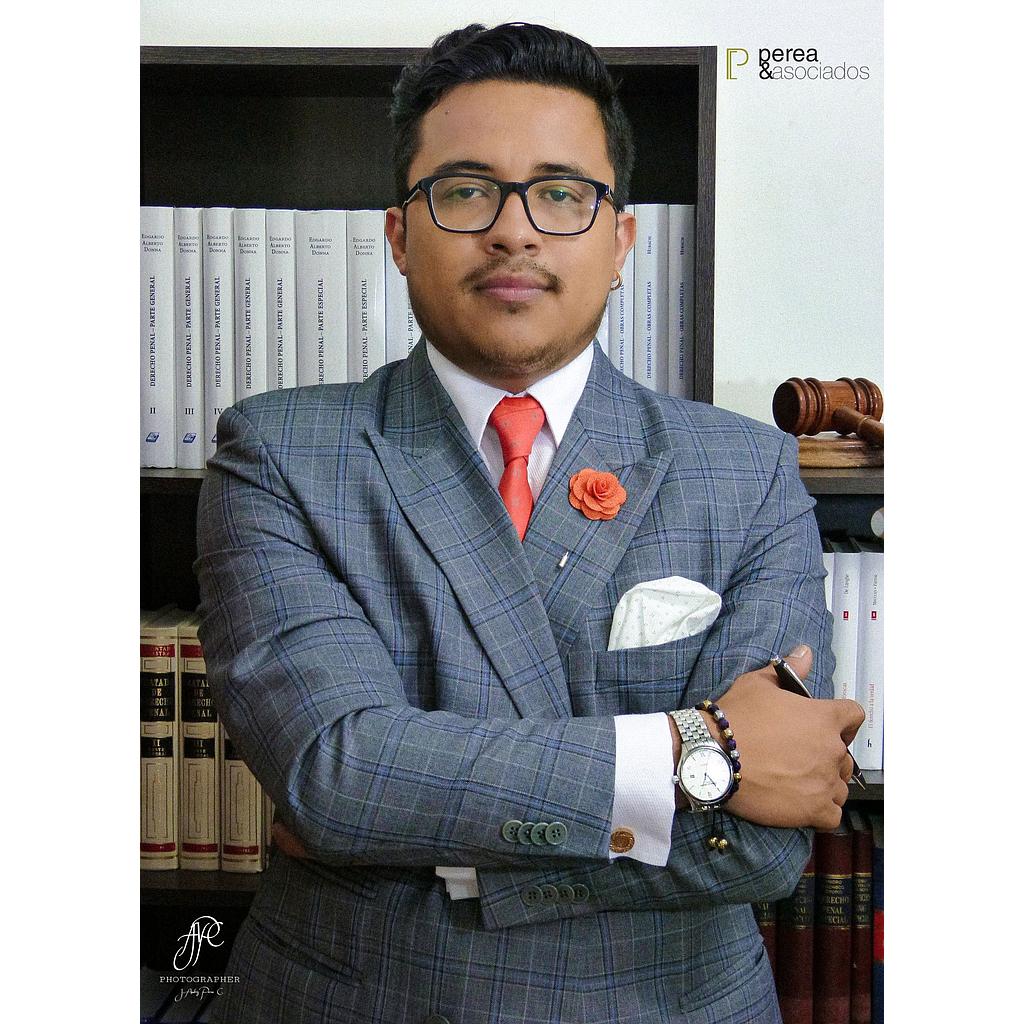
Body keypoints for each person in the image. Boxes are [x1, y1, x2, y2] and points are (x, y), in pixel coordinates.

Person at [195, 22, 864, 1024]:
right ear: (399, 235)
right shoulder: (282, 452)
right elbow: (336, 774)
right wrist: (698, 751)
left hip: (668, 1003)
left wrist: (446, 855)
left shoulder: (745, 469)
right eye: (467, 191)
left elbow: (764, 845)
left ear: (620, 242)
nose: (514, 231)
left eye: (560, 193)